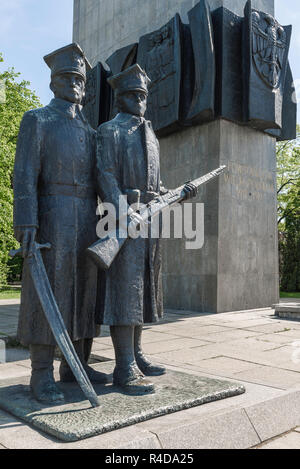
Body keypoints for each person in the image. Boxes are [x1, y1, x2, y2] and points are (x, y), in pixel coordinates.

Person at [13, 43, 107, 404]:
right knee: (47, 294)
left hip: (87, 217)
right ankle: (41, 374)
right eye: (67, 77)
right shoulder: (37, 119)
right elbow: (24, 176)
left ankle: (76, 365)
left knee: (85, 290)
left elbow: (102, 177)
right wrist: (27, 221)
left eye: (80, 79)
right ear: (53, 82)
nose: (75, 85)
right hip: (51, 215)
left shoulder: (90, 130)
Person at [96, 64, 196, 393]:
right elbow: (105, 174)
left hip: (150, 222)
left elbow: (156, 183)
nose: (140, 101)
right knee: (125, 292)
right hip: (122, 218)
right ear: (121, 98)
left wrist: (177, 194)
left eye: (144, 96)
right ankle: (123, 366)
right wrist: (124, 211)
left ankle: (137, 355)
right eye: (134, 95)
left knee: (143, 293)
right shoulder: (110, 130)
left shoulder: (150, 134)